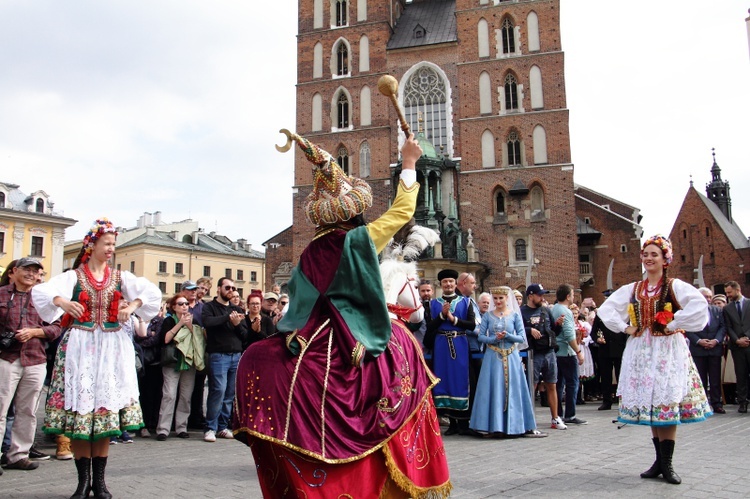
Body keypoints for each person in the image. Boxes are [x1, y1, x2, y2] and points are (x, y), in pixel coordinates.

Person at [233, 131, 450, 497]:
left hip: (311, 334)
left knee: (260, 357)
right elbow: (401, 213)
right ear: (355, 211)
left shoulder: (310, 250)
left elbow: (298, 305)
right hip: (354, 335)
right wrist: (409, 163)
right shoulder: (358, 240)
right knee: (402, 352)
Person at [33, 218, 161, 499]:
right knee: (82, 415)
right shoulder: (73, 276)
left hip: (112, 349)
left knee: (103, 415)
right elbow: (41, 292)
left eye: (114, 244)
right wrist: (63, 302)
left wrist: (134, 305)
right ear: (91, 245)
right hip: (80, 348)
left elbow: (152, 293)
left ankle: (100, 483)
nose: (111, 249)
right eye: (107, 244)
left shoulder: (120, 277)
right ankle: (82, 483)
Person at [598, 234, 711, 485]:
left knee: (666, 400)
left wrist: (675, 322)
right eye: (646, 254)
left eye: (654, 254)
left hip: (667, 351)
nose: (649, 258)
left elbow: (699, 306)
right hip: (642, 351)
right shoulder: (634, 288)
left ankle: (668, 463)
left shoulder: (674, 286)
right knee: (652, 403)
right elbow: (606, 309)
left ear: (665, 259)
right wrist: (625, 327)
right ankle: (659, 461)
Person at [0, 258, 62, 473]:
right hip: (6, 358)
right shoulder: (1, 294)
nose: (31, 274)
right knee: (0, 408)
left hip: (35, 359)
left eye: (35, 271)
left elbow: (56, 327)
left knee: (27, 411)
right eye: (27, 269)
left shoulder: (44, 298)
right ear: (14, 271)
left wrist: (34, 332)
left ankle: (18, 455)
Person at [469, 286, 542, 437]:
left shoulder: (515, 316)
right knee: (493, 388)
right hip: (493, 357)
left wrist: (508, 336)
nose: (498, 301)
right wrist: (494, 339)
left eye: (500, 298)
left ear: (507, 299)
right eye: (495, 298)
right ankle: (494, 425)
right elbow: (481, 336)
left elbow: (522, 337)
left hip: (511, 356)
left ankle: (515, 426)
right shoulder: (488, 316)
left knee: (514, 389)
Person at [427, 268, 476, 436]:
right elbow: (429, 328)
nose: (448, 284)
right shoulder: (433, 304)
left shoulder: (466, 302)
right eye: (444, 282)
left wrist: (454, 319)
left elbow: (472, 325)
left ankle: (464, 422)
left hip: (460, 343)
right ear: (440, 285)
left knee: (461, 380)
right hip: (441, 345)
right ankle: (451, 422)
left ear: (456, 284)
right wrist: (441, 316)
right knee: (444, 380)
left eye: (450, 281)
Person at [201, 277, 246, 442]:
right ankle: (210, 427)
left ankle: (222, 426)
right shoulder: (209, 307)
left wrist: (236, 324)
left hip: (236, 356)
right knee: (217, 390)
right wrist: (228, 318)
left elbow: (244, 334)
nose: (231, 290)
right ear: (219, 288)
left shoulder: (236, 309)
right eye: (227, 287)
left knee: (229, 393)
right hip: (218, 355)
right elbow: (208, 322)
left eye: (234, 288)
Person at [156, 292, 205, 441]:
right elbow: (166, 339)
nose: (184, 306)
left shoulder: (193, 320)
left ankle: (181, 427)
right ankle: (163, 429)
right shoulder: (169, 320)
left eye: (186, 304)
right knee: (169, 395)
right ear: (173, 307)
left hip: (188, 362)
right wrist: (180, 324)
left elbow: (198, 341)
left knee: (185, 396)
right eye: (180, 304)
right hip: (172, 362)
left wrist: (190, 326)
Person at [521, 284, 566, 430]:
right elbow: (518, 329)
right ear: (531, 296)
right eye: (539, 295)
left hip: (549, 352)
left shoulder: (546, 310)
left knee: (552, 384)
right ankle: (529, 419)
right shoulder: (522, 312)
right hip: (533, 353)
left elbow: (553, 331)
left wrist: (558, 325)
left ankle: (555, 417)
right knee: (532, 386)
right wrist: (529, 330)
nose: (542, 297)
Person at [551, 285, 587, 425]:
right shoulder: (565, 311)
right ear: (567, 296)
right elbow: (569, 334)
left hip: (556, 352)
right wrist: (578, 352)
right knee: (572, 383)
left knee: (558, 384)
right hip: (566, 352)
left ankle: (558, 413)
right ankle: (570, 415)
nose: (573, 297)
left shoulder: (553, 309)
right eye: (572, 294)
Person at [687, 288, 726, 414]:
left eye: (709, 297)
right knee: (700, 379)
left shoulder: (717, 310)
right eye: (705, 296)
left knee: (715, 378)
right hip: (699, 349)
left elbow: (722, 326)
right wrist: (699, 341)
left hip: (714, 348)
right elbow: (688, 328)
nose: (708, 299)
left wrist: (716, 340)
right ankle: (702, 404)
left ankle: (717, 403)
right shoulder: (691, 311)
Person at [724, 281, 750, 413]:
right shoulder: (727, 309)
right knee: (741, 374)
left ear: (737, 290)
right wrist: (737, 340)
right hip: (737, 346)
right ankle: (742, 402)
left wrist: (747, 337)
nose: (727, 295)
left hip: (749, 343)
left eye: (729, 292)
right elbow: (728, 327)